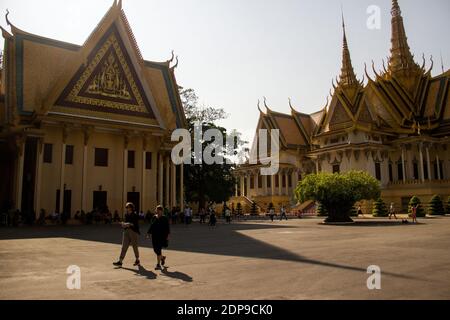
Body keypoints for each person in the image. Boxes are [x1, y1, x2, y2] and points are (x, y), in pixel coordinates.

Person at [113, 202, 140, 267]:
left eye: (127, 207)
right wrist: (123, 224)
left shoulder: (135, 215)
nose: (126, 208)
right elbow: (125, 223)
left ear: (131, 208)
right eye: (126, 207)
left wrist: (128, 224)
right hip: (126, 231)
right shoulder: (126, 215)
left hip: (133, 232)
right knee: (124, 246)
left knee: (135, 247)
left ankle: (137, 259)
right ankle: (120, 261)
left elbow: (135, 224)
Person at [147, 206, 170, 270]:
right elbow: (151, 225)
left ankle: (158, 264)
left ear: (162, 211)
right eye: (157, 210)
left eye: (159, 210)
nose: (158, 211)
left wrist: (168, 236)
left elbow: (167, 228)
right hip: (154, 236)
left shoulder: (165, 218)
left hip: (162, 236)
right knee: (155, 249)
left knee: (158, 249)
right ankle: (162, 258)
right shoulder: (154, 217)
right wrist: (148, 233)